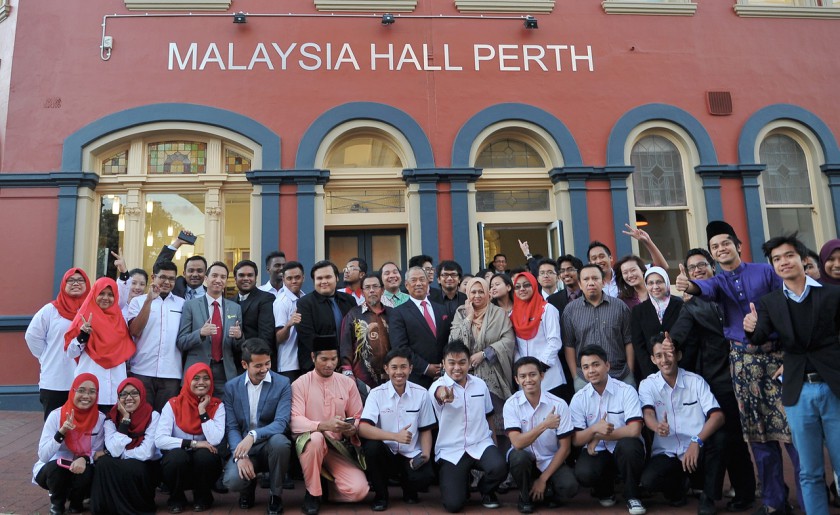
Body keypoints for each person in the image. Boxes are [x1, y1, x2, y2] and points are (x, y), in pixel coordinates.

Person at [675, 220, 802, 514]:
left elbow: (788, 309)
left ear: (738, 246)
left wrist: (789, 355)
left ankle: (810, 501)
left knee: (793, 433)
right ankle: (773, 502)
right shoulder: (718, 282)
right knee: (758, 435)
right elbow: (703, 288)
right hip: (743, 364)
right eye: (715, 246)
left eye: (725, 243)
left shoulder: (766, 272)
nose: (721, 249)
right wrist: (688, 285)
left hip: (778, 360)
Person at [743, 234, 840, 515]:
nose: (783, 262)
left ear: (803, 259)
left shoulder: (832, 294)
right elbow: (759, 337)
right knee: (809, 471)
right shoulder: (769, 302)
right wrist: (750, 326)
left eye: (788, 255)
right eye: (776, 259)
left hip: (834, 386)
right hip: (798, 392)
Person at [668, 248, 757, 512]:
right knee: (729, 437)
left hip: (750, 373)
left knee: (758, 437)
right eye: (692, 267)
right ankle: (739, 492)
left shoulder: (731, 294)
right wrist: (670, 344)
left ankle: (761, 490)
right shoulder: (691, 306)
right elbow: (678, 334)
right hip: (719, 379)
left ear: (713, 268)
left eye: (702, 265)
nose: (697, 270)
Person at [638, 335, 725, 515]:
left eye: (669, 354)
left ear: (678, 355)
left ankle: (708, 497)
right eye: (659, 356)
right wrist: (656, 426)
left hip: (697, 451)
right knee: (649, 481)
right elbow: (648, 413)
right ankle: (680, 487)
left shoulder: (696, 381)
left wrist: (696, 441)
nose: (664, 360)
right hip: (667, 452)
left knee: (721, 438)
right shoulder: (647, 385)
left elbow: (718, 416)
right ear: (653, 359)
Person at [291, 335, 369, 515]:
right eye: (324, 359)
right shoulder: (300, 384)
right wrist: (323, 426)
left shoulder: (347, 383)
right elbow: (294, 421)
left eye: (334, 359)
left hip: (337, 447)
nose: (330, 364)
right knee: (316, 439)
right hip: (309, 445)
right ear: (313, 357)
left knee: (359, 491)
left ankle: (325, 489)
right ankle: (312, 494)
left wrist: (352, 428)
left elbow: (358, 415)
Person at [429, 340, 508, 512]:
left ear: (469, 363)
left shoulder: (480, 385)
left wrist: (493, 445)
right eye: (452, 363)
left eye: (462, 362)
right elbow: (439, 393)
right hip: (452, 450)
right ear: (443, 364)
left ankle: (486, 490)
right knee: (453, 505)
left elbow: (489, 415)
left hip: (480, 443)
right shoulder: (437, 386)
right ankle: (461, 484)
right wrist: (444, 395)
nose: (457, 368)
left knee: (499, 466)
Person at [569, 345, 646, 515]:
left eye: (596, 364)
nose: (591, 371)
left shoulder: (626, 391)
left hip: (623, 449)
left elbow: (634, 430)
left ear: (607, 365)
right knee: (584, 473)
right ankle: (605, 490)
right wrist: (594, 429)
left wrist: (598, 436)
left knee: (629, 447)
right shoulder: (579, 398)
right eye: (586, 367)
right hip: (598, 452)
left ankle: (633, 496)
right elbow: (576, 439)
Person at [358, 347, 436, 511]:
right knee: (371, 448)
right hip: (386, 453)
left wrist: (425, 455)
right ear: (386, 369)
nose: (399, 372)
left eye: (403, 367)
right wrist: (395, 436)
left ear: (410, 368)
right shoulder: (376, 394)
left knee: (425, 476)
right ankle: (381, 496)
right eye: (394, 367)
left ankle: (409, 488)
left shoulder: (421, 393)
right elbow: (363, 428)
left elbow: (425, 429)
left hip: (411, 454)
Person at [222, 338, 292, 515]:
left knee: (281, 443)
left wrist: (253, 435)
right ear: (244, 364)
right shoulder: (231, 387)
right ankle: (247, 488)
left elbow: (281, 423)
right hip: (244, 446)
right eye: (258, 365)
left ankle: (275, 496)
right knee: (232, 481)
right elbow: (232, 427)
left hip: (269, 444)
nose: (264, 369)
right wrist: (240, 456)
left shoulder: (283, 383)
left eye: (267, 363)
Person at [504, 357, 579, 514]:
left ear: (542, 376)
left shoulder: (559, 404)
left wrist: (542, 479)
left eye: (533, 374)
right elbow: (517, 443)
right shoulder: (511, 404)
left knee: (570, 486)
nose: (528, 380)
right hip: (524, 460)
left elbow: (565, 448)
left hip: (550, 459)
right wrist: (545, 425)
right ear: (516, 379)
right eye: (523, 376)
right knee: (518, 457)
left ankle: (546, 490)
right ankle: (525, 497)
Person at [449, 277, 515, 452]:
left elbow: (508, 340)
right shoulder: (461, 312)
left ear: (487, 293)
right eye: (473, 292)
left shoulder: (498, 313)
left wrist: (485, 354)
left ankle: (502, 458)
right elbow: (454, 340)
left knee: (498, 418)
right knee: (472, 420)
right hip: (467, 374)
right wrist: (469, 317)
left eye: (481, 292)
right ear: (467, 293)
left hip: (494, 374)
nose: (477, 295)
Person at [155, 363, 225, 513]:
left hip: (203, 465)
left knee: (205, 456)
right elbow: (160, 440)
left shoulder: (217, 405)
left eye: (206, 378)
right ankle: (176, 498)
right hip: (179, 464)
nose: (201, 382)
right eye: (196, 378)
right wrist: (194, 443)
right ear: (187, 381)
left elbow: (215, 440)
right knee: (176, 457)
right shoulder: (173, 404)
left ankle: (203, 497)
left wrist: (202, 411)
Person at [33, 373, 105, 515]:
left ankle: (76, 503)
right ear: (73, 391)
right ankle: (57, 504)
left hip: (80, 468)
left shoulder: (100, 419)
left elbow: (97, 451)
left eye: (92, 392)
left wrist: (84, 458)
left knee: (88, 470)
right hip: (53, 470)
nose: (86, 396)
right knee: (56, 468)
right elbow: (43, 455)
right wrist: (61, 433)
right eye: (81, 390)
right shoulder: (56, 415)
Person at [91, 378, 162, 515]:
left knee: (134, 466)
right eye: (123, 394)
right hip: (125, 460)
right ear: (118, 399)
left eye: (134, 393)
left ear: (142, 394)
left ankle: (137, 508)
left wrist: (118, 454)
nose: (129, 398)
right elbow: (114, 451)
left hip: (146, 465)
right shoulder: (111, 418)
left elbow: (146, 453)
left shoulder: (152, 415)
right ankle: (108, 508)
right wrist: (125, 420)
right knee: (103, 463)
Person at [26, 268, 91, 419]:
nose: (76, 283)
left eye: (80, 280)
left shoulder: (93, 310)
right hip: (56, 379)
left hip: (85, 379)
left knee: (83, 425)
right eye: (71, 280)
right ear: (63, 284)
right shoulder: (50, 310)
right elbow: (32, 336)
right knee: (55, 424)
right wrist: (45, 356)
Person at [65, 277, 135, 412]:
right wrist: (82, 336)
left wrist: (124, 275)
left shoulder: (120, 321)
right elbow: (71, 353)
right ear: (94, 294)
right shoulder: (84, 317)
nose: (106, 298)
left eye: (110, 294)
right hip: (90, 389)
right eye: (101, 293)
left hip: (116, 386)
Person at [177, 261, 243, 396]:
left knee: (224, 408)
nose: (218, 280)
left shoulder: (235, 308)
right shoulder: (190, 305)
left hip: (225, 371)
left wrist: (239, 337)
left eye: (223, 277)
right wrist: (200, 333)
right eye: (214, 275)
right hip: (197, 371)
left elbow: (240, 346)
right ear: (206, 279)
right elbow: (181, 342)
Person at [563, 264, 634, 390]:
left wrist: (630, 370)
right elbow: (569, 345)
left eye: (595, 278)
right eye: (586, 279)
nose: (591, 283)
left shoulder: (619, 307)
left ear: (603, 282)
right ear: (580, 284)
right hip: (585, 379)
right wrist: (576, 376)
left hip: (620, 375)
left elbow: (629, 341)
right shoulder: (570, 310)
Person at [127, 260, 185, 411]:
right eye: (162, 277)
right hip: (142, 370)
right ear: (153, 277)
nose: (167, 282)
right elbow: (134, 331)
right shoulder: (138, 302)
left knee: (166, 418)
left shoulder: (182, 304)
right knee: (141, 417)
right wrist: (149, 300)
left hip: (172, 373)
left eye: (171, 279)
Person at [389, 266, 453, 388]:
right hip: (416, 378)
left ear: (428, 282)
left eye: (422, 279)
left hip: (444, 375)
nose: (418, 283)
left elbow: (449, 339)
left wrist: (445, 364)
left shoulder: (441, 309)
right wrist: (425, 367)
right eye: (414, 280)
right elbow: (400, 347)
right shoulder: (398, 312)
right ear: (406, 285)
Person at [510, 271, 567, 397]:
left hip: (549, 375)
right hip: (525, 378)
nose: (522, 289)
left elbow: (554, 341)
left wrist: (539, 367)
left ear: (535, 286)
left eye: (526, 285)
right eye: (517, 287)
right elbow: (514, 346)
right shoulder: (513, 314)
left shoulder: (547, 309)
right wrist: (521, 366)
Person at [295, 260, 357, 373]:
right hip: (317, 366)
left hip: (349, 364)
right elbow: (308, 337)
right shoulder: (305, 304)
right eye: (319, 278)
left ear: (337, 278)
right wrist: (333, 359)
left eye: (328, 277)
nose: (324, 281)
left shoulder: (349, 300)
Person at [339, 274, 392, 389]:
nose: (372, 290)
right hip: (362, 380)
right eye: (367, 287)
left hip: (392, 378)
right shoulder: (353, 315)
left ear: (382, 290)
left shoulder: (392, 314)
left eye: (375, 286)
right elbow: (345, 345)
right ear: (362, 292)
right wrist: (347, 372)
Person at [630, 266, 684, 380]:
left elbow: (688, 338)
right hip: (651, 373)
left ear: (667, 283)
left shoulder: (681, 306)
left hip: (681, 370)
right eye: (650, 283)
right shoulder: (638, 311)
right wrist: (651, 374)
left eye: (659, 282)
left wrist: (682, 368)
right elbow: (639, 346)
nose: (655, 286)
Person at [231, 259, 277, 365]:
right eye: (241, 275)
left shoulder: (266, 298)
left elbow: (266, 336)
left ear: (256, 278)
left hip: (257, 361)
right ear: (235, 278)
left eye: (250, 275)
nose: (246, 278)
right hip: (233, 362)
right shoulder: (230, 302)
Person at [273, 261, 306, 381]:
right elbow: (278, 338)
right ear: (283, 280)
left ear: (303, 278)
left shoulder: (304, 297)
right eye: (289, 278)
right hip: (288, 364)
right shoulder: (281, 302)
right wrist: (289, 324)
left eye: (297, 277)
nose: (294, 281)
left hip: (305, 361)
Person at [154, 231, 207, 300]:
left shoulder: (212, 294)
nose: (195, 274)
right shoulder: (175, 288)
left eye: (199, 271)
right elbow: (159, 266)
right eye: (191, 270)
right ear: (184, 273)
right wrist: (178, 242)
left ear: (205, 274)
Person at [110, 248, 147, 319]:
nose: (137, 287)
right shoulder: (119, 304)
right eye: (134, 283)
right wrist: (124, 272)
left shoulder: (147, 307)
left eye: (142, 284)